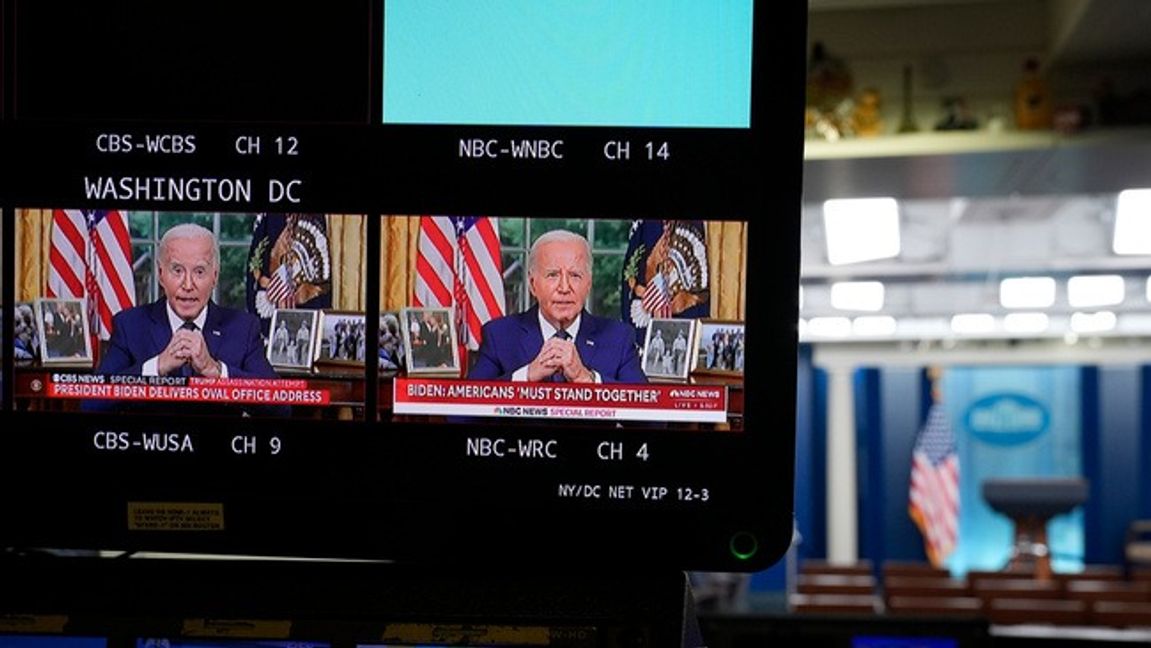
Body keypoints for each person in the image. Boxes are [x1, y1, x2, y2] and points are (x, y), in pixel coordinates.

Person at [85, 223, 281, 413]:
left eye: (199, 272)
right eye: (177, 270)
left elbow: (280, 407)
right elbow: (92, 403)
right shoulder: (130, 325)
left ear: (215, 276)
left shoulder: (243, 328)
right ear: (161, 275)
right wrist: (157, 366)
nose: (188, 285)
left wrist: (215, 371)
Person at [468, 230, 645, 383]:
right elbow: (463, 414)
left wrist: (586, 378)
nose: (564, 288)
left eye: (575, 275)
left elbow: (650, 421)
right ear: (532, 284)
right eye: (552, 275)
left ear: (588, 284)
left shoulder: (618, 338)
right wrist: (526, 376)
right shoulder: (499, 336)